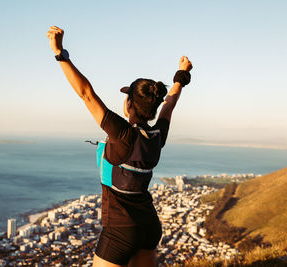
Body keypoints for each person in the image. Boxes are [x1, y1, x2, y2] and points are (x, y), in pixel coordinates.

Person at [47, 26, 193, 267]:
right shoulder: (157, 135)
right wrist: (181, 77)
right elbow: (169, 106)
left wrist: (60, 53)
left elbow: (86, 94)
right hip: (149, 227)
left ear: (129, 104)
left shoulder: (123, 134)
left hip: (120, 231)